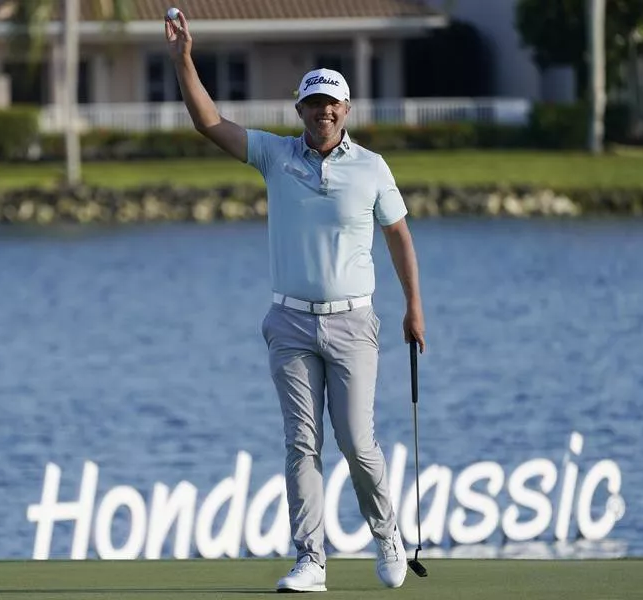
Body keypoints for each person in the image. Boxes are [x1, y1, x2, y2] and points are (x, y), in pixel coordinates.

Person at [166, 10, 426, 592]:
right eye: (313, 104)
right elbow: (209, 122)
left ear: (347, 111)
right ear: (300, 111)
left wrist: (414, 308)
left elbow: (400, 236)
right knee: (302, 443)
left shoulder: (372, 169)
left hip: (354, 322)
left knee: (358, 443)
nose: (323, 112)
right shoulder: (274, 156)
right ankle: (311, 559)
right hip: (288, 323)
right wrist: (184, 57)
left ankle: (387, 535)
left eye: (332, 103)